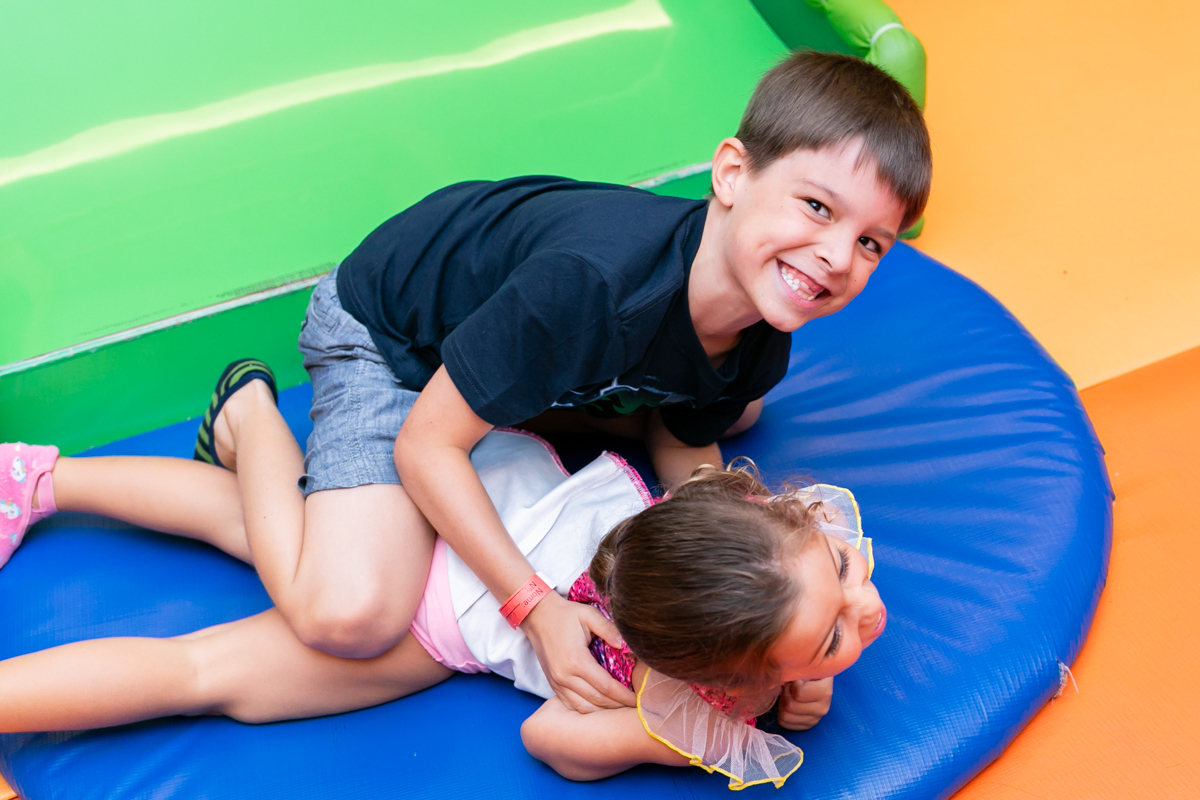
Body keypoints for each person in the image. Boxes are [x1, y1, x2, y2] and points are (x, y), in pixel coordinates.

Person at [3, 50, 929, 720]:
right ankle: (250, 414)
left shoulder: (761, 329)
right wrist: (536, 609)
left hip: (515, 379)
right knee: (347, 609)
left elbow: (688, 441)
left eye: (870, 243)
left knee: (740, 412)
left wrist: (761, 612)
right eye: (816, 206)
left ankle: (79, 476)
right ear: (731, 174)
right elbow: (425, 444)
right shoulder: (590, 289)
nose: (835, 257)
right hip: (396, 344)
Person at [0, 382, 883, 789]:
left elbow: (556, 733)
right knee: (212, 664)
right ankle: (252, 421)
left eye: (835, 629)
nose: (862, 596)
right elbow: (551, 738)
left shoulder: (763, 565)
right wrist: (669, 735)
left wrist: (808, 668)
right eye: (844, 577)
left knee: (244, 569)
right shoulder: (701, 668)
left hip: (460, 546)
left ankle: (49, 479)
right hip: (442, 576)